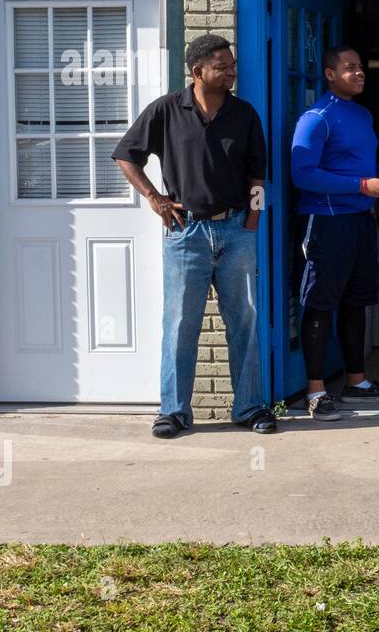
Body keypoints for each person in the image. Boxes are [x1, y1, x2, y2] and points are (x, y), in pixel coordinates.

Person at [113, 33, 276, 437]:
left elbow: (259, 173)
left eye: (232, 65)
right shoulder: (167, 110)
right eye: (223, 66)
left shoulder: (244, 114)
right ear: (198, 70)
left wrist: (252, 221)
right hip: (187, 235)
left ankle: (250, 407)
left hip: (237, 230)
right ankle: (173, 411)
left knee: (244, 321)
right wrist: (154, 198)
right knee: (181, 323)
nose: (231, 72)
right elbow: (125, 154)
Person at [290, 44, 379, 420]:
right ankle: (315, 391)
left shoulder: (361, 114)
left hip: (360, 220)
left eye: (361, 67)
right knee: (320, 302)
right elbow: (302, 174)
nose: (359, 73)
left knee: (358, 301)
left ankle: (357, 383)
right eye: (350, 67)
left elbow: (360, 164)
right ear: (329, 74)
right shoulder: (315, 118)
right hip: (327, 221)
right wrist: (361, 186)